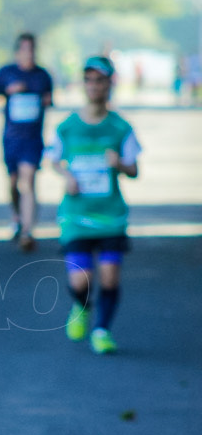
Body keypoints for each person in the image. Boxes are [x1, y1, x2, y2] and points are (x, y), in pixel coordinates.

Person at [47, 56, 140, 355]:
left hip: (111, 216)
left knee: (110, 275)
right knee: (80, 280)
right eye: (89, 80)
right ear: (83, 85)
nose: (94, 86)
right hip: (76, 216)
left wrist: (121, 164)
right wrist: (66, 175)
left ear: (109, 85)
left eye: (100, 80)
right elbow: (53, 159)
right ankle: (80, 307)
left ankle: (102, 330)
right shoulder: (68, 126)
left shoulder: (120, 127)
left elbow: (134, 169)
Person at [0, 33, 53, 251]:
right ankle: (18, 219)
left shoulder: (43, 76)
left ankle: (28, 231)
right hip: (11, 138)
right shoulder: (7, 73)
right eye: (25, 50)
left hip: (33, 139)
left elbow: (49, 100)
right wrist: (8, 90)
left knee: (28, 181)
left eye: (32, 50)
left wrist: (44, 100)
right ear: (18, 52)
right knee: (13, 183)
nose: (29, 54)